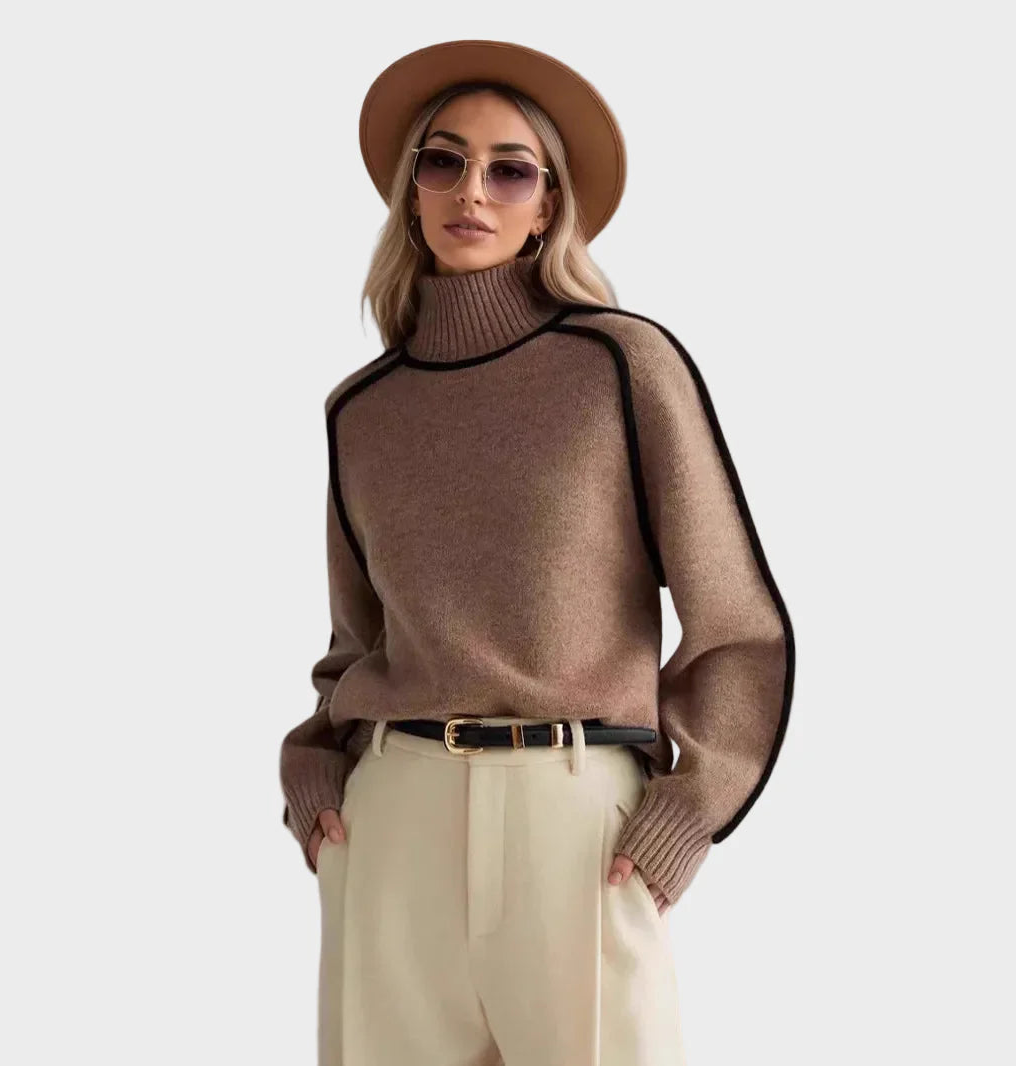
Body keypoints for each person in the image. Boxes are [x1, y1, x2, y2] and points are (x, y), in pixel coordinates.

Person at [278, 38, 795, 1066]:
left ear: (549, 202)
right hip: (394, 823)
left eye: (509, 169)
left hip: (578, 824)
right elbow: (357, 640)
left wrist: (686, 811)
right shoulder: (362, 411)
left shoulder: (620, 363)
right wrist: (316, 774)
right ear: (412, 189)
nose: (472, 190)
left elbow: (739, 626)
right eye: (444, 160)